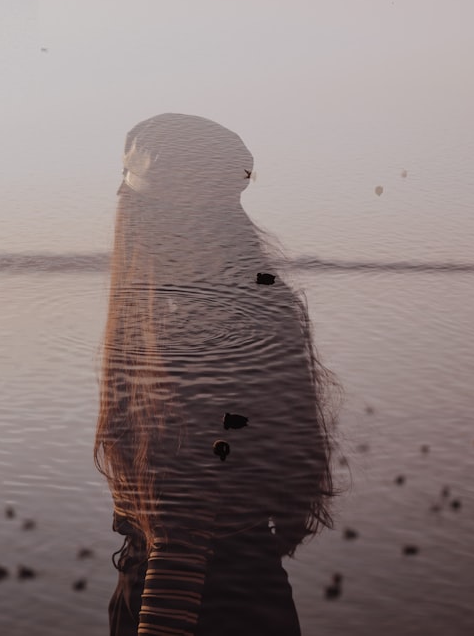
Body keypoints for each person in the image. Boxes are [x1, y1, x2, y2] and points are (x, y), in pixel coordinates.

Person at [95, 113, 338, 636]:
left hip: (189, 601)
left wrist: (158, 622)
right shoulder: (254, 303)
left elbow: (183, 522)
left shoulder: (191, 324)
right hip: (248, 585)